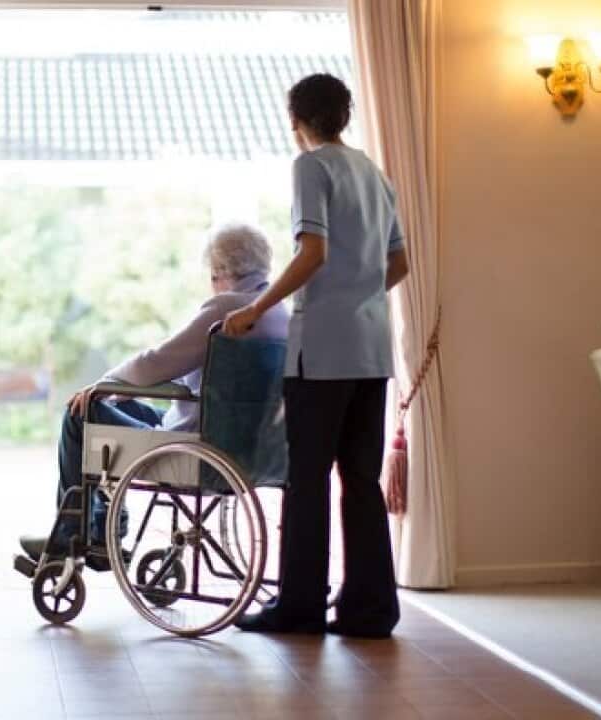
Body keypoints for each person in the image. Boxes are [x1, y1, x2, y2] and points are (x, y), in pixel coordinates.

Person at [223, 73, 410, 638]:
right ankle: (370, 609)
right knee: (360, 478)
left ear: (295, 120)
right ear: (345, 115)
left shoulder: (311, 166)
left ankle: (299, 606)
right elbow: (399, 264)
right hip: (371, 349)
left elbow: (314, 251)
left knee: (307, 479)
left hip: (323, 352)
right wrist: (362, 297)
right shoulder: (375, 174)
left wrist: (257, 308)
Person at [19, 223, 290, 562]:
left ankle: (74, 536)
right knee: (125, 406)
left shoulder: (226, 310)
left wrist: (106, 385)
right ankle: (101, 526)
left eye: (212, 273)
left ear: (221, 270)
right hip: (250, 449)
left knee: (82, 412)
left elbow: (159, 361)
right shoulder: (281, 313)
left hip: (197, 449)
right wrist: (119, 394)